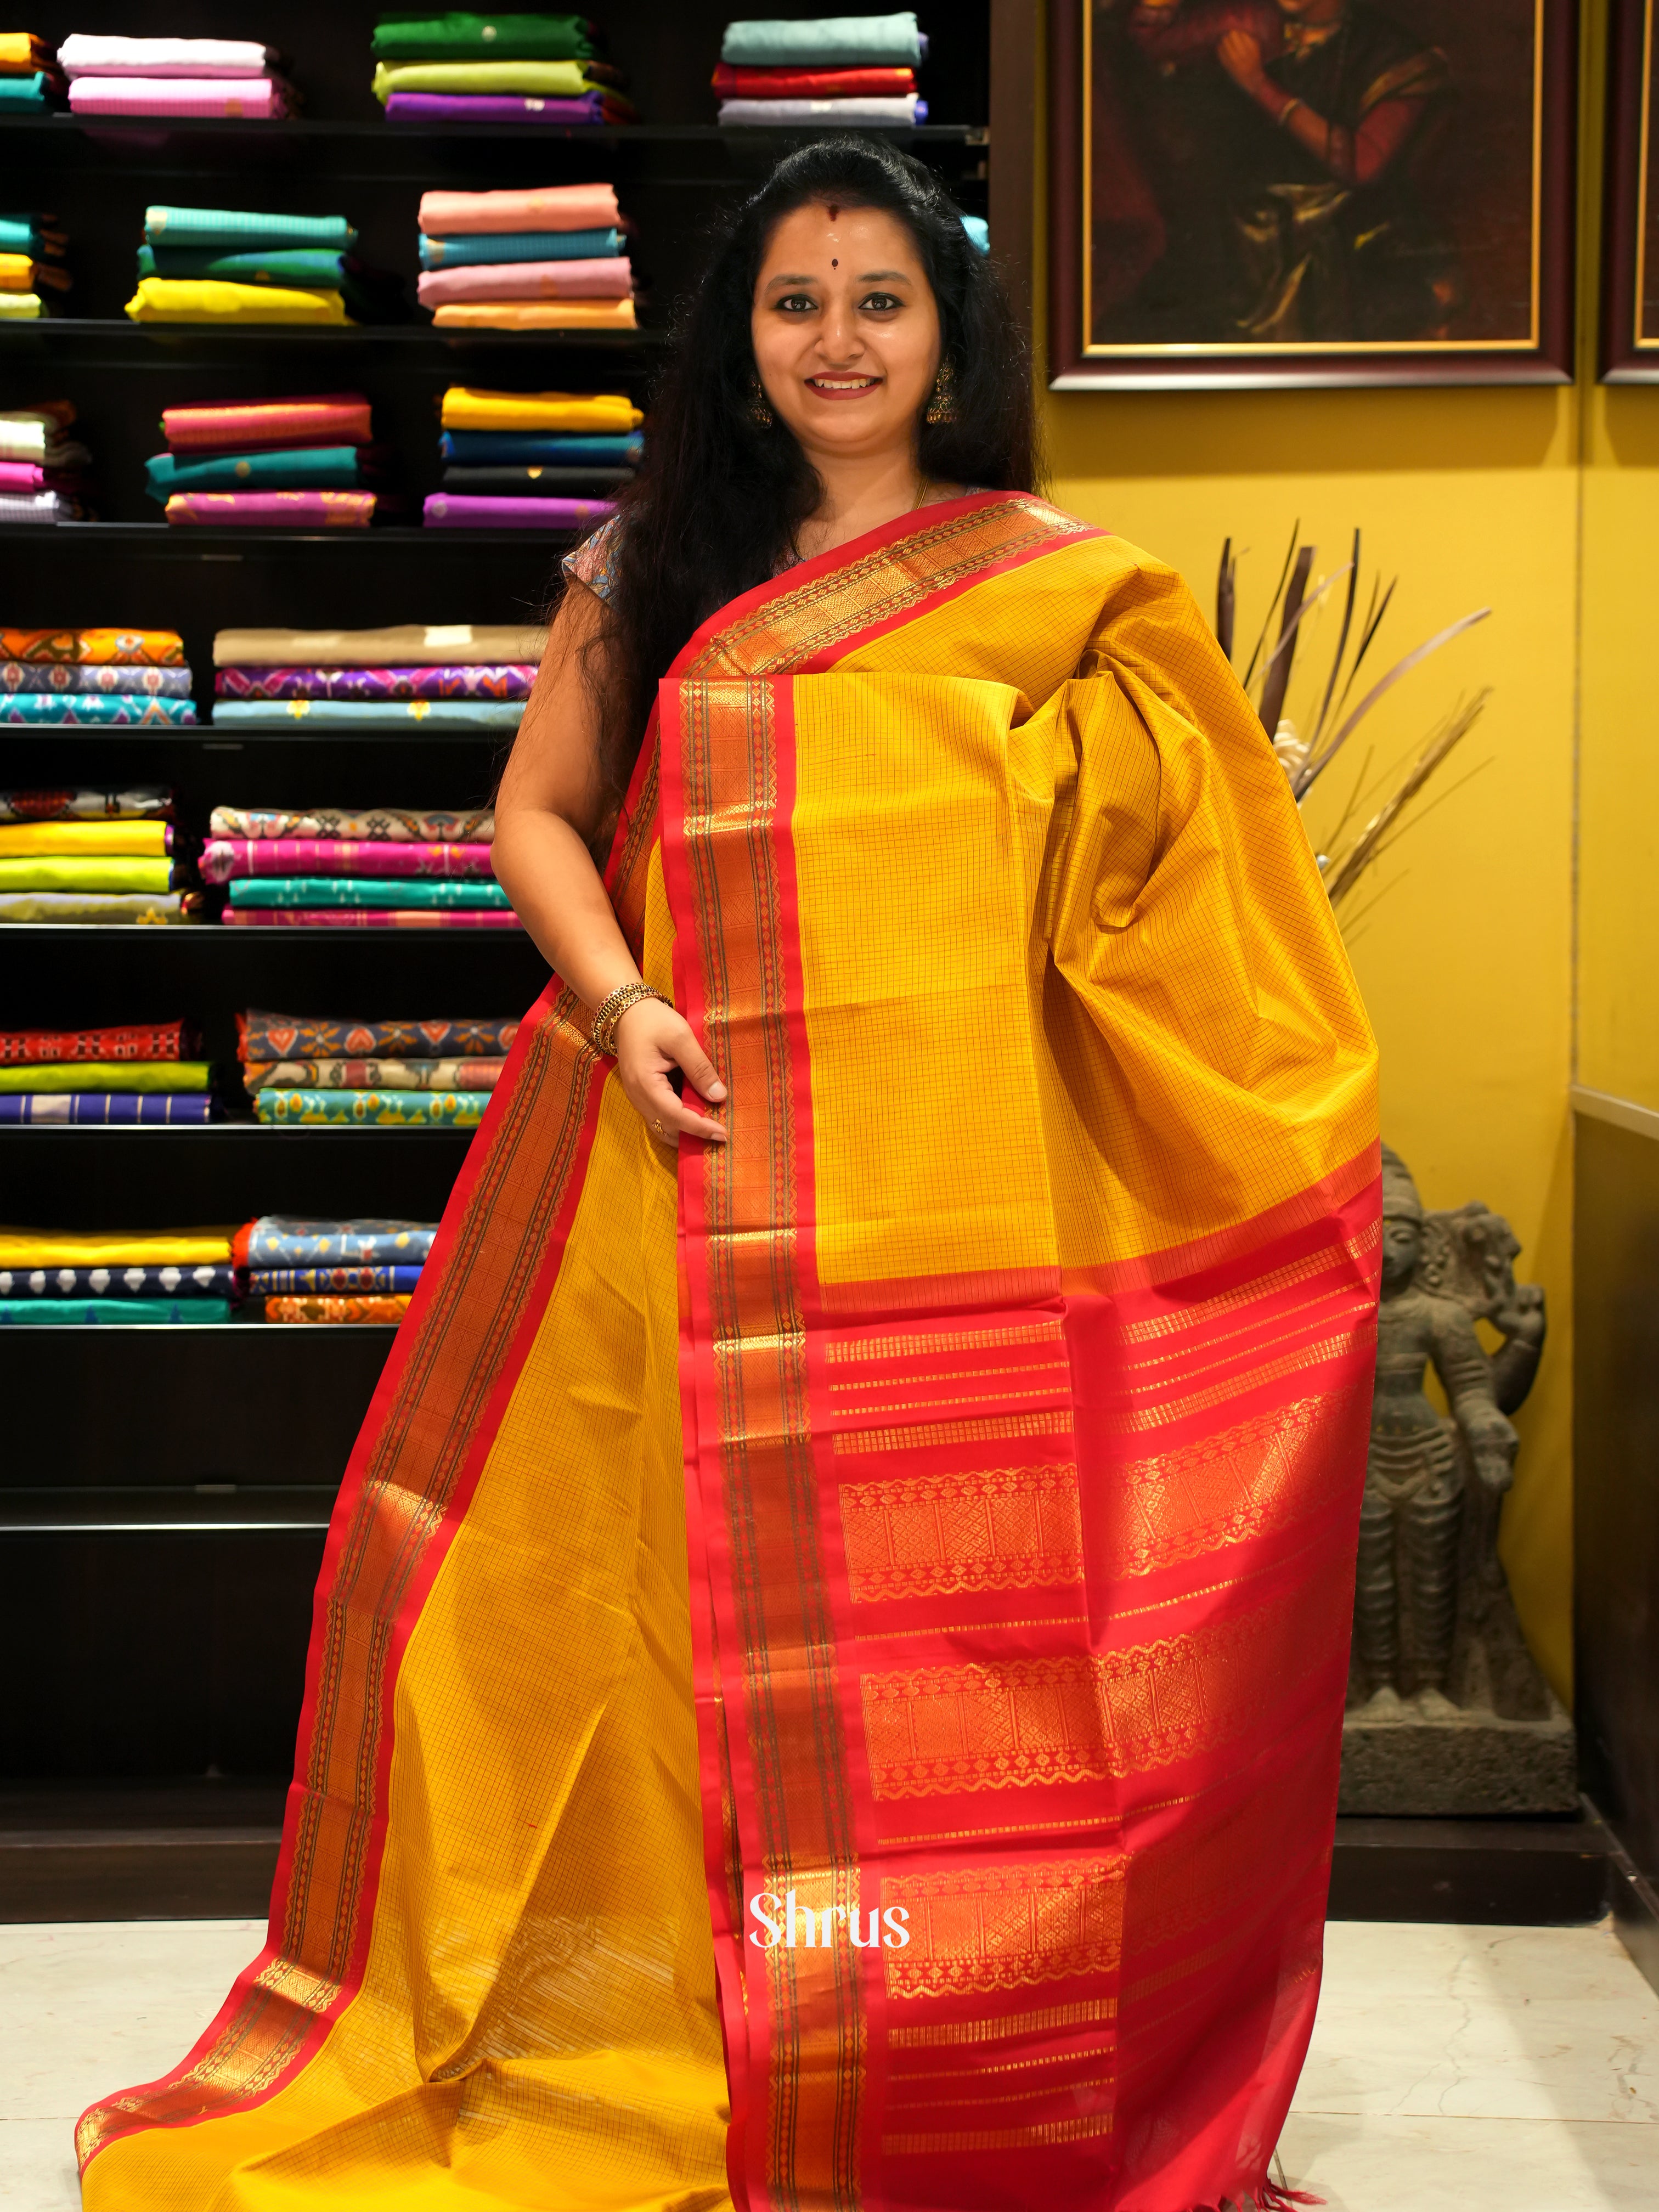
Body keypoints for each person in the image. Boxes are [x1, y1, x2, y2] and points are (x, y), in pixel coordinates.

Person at [78, 138, 1380, 2212]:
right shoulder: (654, 555)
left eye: (879, 297)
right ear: (737, 335)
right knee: (644, 1622)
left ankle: (926, 2031)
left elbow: (1175, 905)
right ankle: (684, 2015)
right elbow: (535, 814)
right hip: (674, 1159)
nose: (836, 339)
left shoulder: (1056, 588)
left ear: (947, 335)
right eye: (793, 299)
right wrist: (614, 1004)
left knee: (959, 1641)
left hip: (956, 1205)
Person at [1098, 0, 1458, 343]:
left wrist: (1258, 85)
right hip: (1239, 232)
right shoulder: (1251, 21)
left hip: (1341, 236)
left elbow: (1362, 163)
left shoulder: (1394, 54)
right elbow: (1151, 43)